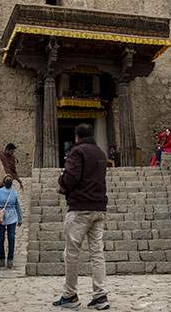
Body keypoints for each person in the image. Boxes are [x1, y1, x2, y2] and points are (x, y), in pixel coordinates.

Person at [53, 123, 109, 310]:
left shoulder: (77, 152)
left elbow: (71, 177)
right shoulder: (101, 153)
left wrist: (62, 183)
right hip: (99, 208)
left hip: (80, 208)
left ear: (76, 137)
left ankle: (70, 295)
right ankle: (100, 295)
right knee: (97, 253)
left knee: (72, 253)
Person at [0, 174, 23, 269]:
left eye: (10, 180)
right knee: (1, 238)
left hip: (12, 216)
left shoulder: (14, 193)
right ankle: (1, 258)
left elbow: (17, 206)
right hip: (1, 217)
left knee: (11, 238)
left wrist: (20, 218)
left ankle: (10, 259)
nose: (8, 181)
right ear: (4, 181)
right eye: (7, 179)